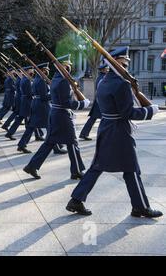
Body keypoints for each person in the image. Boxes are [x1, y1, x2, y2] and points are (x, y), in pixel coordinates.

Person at [67, 47, 163, 218]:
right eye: (124, 64)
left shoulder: (104, 81)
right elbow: (128, 113)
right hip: (120, 131)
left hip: (106, 128)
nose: (126, 67)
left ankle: (76, 199)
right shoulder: (121, 84)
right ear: (117, 63)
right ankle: (140, 207)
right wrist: (150, 111)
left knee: (98, 166)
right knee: (131, 169)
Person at [23, 55, 90, 180]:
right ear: (63, 66)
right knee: (73, 142)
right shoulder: (64, 80)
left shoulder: (56, 78)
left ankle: (32, 166)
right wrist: (82, 104)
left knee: (50, 142)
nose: (69, 67)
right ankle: (77, 171)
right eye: (67, 66)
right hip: (63, 116)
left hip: (55, 114)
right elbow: (67, 103)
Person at [16, 63, 67, 155]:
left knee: (32, 126)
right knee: (50, 126)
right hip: (42, 106)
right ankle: (56, 147)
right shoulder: (41, 81)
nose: (47, 71)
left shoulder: (36, 79)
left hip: (36, 104)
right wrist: (55, 94)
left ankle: (22, 144)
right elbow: (44, 97)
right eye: (46, 69)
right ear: (42, 70)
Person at [79, 64, 109, 141]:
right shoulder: (102, 78)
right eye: (106, 69)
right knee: (104, 119)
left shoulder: (101, 77)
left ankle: (84, 134)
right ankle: (102, 135)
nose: (107, 70)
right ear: (102, 70)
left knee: (95, 119)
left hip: (99, 102)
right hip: (101, 103)